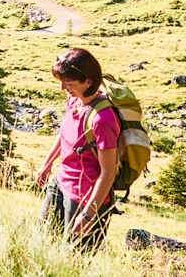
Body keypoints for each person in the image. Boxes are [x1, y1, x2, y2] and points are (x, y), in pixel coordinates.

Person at [35, 47, 119, 251]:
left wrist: (88, 214)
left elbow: (108, 172)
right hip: (61, 184)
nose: (63, 88)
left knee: (72, 259)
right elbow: (64, 134)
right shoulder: (74, 100)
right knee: (42, 245)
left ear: (88, 81)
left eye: (69, 83)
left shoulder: (103, 119)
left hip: (85, 198)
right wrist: (47, 164)